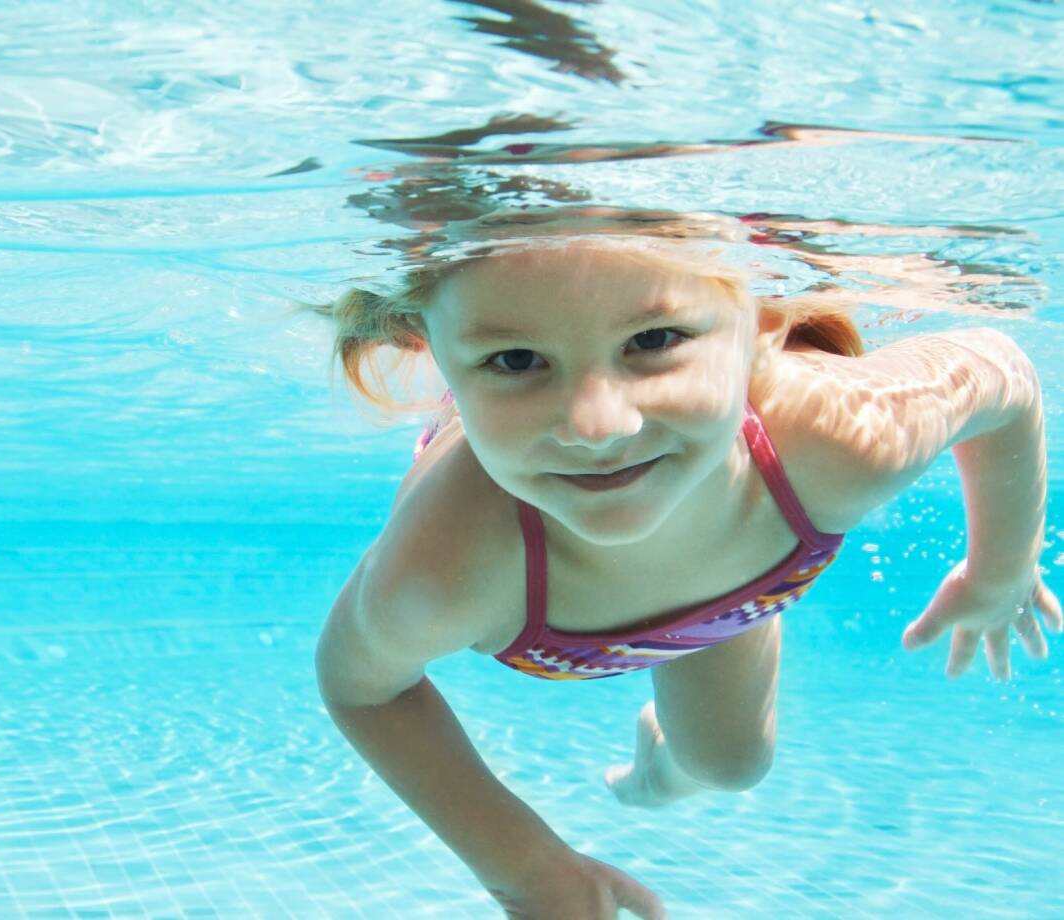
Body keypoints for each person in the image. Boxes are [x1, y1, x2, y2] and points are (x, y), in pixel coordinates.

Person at [305, 233, 1060, 920]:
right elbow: (361, 685)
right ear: (434, 353)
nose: (599, 426)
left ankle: (656, 777)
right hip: (705, 574)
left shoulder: (838, 438)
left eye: (655, 340)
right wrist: (525, 869)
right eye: (514, 360)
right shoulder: (443, 567)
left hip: (741, 582)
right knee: (734, 761)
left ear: (764, 321)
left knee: (731, 766)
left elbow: (1004, 374)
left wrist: (1003, 566)